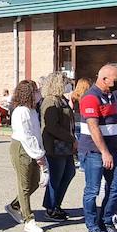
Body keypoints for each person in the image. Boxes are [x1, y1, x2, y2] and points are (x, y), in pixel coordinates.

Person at [79, 64, 117, 232]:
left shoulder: (112, 96)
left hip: (113, 150)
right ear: (104, 79)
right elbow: (93, 127)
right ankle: (92, 227)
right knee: (92, 190)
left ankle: (106, 221)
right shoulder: (90, 98)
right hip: (94, 151)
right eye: (116, 80)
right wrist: (105, 152)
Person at [4, 80, 48, 232]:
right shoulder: (21, 111)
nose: (38, 93)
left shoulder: (32, 110)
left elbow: (36, 133)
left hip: (32, 148)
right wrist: (38, 155)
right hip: (21, 148)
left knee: (34, 183)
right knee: (24, 184)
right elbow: (26, 136)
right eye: (35, 91)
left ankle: (14, 205)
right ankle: (29, 220)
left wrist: (40, 153)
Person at [39, 72, 76, 222]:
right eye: (65, 82)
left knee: (68, 174)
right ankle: (51, 207)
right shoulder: (50, 101)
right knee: (56, 177)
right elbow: (52, 126)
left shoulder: (61, 100)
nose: (68, 85)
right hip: (55, 146)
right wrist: (71, 138)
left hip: (65, 145)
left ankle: (56, 204)